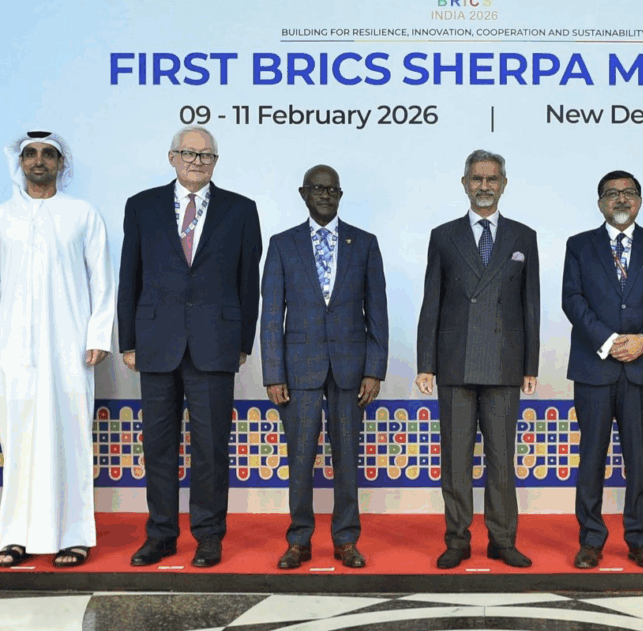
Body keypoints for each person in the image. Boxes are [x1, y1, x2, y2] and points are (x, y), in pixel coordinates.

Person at [118, 126, 261, 569]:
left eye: (206, 156)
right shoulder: (141, 206)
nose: (197, 162)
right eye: (188, 153)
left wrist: (242, 341)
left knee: (211, 448)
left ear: (215, 162)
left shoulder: (241, 209)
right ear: (172, 157)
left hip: (215, 343)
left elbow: (248, 282)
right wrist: (128, 341)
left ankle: (209, 536)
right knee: (158, 447)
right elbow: (129, 276)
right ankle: (161, 534)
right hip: (155, 343)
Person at [0, 131, 115, 568]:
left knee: (71, 438)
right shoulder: (1, 217)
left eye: (48, 154)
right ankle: (14, 536)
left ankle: (74, 536)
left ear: (60, 163)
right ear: (20, 162)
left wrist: (98, 336)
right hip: (13, 350)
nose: (39, 161)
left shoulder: (83, 214)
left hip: (69, 349)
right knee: (17, 441)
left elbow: (102, 281)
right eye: (30, 154)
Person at [416, 149, 540, 569]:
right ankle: (457, 539)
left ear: (503, 184)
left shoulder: (523, 236)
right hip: (455, 361)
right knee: (456, 459)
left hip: (505, 362)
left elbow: (530, 304)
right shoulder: (443, 235)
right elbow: (431, 302)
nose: (484, 186)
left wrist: (530, 365)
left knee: (502, 460)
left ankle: (502, 539)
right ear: (464, 183)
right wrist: (426, 363)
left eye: (491, 179)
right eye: (476, 179)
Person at [261, 165, 389, 569]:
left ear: (340, 195)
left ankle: (346, 539)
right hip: (298, 370)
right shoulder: (282, 244)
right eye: (317, 188)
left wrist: (374, 369)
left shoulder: (364, 244)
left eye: (332, 189)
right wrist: (273, 373)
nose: (325, 195)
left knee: (347, 458)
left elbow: (378, 312)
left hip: (351, 369)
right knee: (300, 458)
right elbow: (271, 316)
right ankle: (299, 540)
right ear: (303, 194)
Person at [562, 170, 643, 570]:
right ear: (600, 203)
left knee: (638, 458)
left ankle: (639, 539)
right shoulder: (579, 245)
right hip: (594, 367)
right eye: (612, 193)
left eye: (629, 192)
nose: (621, 199)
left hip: (642, 367)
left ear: (640, 201)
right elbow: (572, 299)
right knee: (591, 457)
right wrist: (609, 340)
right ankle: (591, 540)